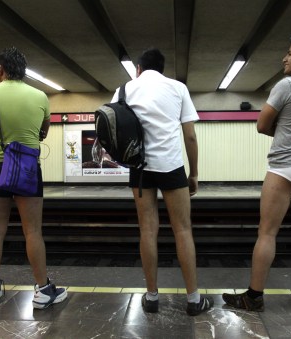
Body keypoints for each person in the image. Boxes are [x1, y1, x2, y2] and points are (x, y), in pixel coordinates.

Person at [223, 35, 291, 313]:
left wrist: (283, 131)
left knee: (267, 232)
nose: (284, 59)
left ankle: (254, 296)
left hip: (286, 165)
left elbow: (262, 125)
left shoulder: (287, 85)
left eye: (289, 53)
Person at [112, 48, 213, 316]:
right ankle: (193, 300)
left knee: (147, 230)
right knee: (182, 230)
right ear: (162, 68)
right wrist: (194, 173)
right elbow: (190, 137)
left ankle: (152, 297)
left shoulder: (125, 89)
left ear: (138, 68)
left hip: (140, 168)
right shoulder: (178, 88)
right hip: (171, 166)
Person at [0, 46, 66, 309]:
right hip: (27, 168)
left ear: (0, 69)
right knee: (33, 231)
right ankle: (42, 290)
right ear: (24, 72)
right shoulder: (40, 96)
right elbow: (43, 131)